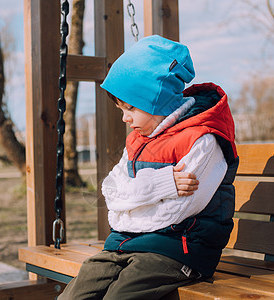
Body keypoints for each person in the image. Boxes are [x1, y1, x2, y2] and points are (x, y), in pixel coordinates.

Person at [58, 35, 238, 300]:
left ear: (158, 99)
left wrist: (129, 204)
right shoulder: (138, 139)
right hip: (126, 243)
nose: (125, 118)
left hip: (179, 249)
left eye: (130, 107)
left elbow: (173, 213)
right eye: (121, 108)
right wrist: (163, 183)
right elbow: (110, 192)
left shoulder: (202, 140)